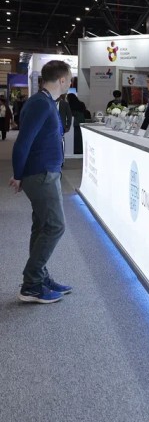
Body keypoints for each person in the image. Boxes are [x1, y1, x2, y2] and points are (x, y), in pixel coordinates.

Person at [9, 60, 74, 304]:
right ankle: (32, 283)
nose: (70, 83)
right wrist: (18, 174)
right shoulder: (40, 103)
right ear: (61, 80)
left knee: (42, 226)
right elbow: (23, 142)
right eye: (69, 79)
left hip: (46, 173)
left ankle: (40, 277)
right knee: (55, 226)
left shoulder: (45, 102)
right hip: (41, 174)